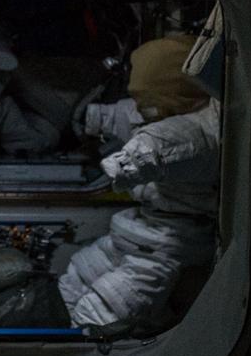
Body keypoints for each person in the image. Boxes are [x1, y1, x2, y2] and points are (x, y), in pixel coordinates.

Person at [58, 35, 220, 330]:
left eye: (146, 100)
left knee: (98, 314)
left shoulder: (200, 131)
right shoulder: (154, 111)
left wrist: (123, 165)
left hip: (168, 247)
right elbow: (131, 117)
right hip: (139, 230)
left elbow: (160, 146)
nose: (140, 106)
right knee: (74, 279)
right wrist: (93, 117)